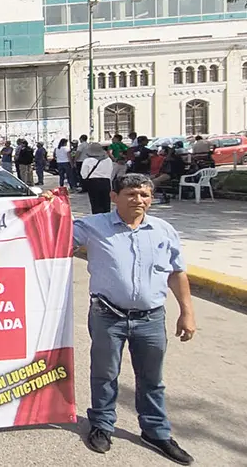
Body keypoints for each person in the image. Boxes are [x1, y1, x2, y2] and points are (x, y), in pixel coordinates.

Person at [44, 175, 196, 465]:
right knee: (104, 373)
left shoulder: (164, 230)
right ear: (114, 196)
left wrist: (187, 312)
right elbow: (53, 238)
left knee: (152, 378)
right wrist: (51, 207)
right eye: (131, 194)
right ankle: (102, 425)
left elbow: (177, 273)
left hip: (151, 319)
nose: (138, 200)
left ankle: (156, 431)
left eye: (144, 194)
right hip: (107, 315)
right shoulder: (94, 226)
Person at [81, 143, 114, 214]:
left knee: (95, 204)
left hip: (93, 183)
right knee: (106, 204)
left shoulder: (88, 161)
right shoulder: (108, 160)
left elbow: (83, 174)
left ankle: (97, 220)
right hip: (106, 182)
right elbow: (111, 171)